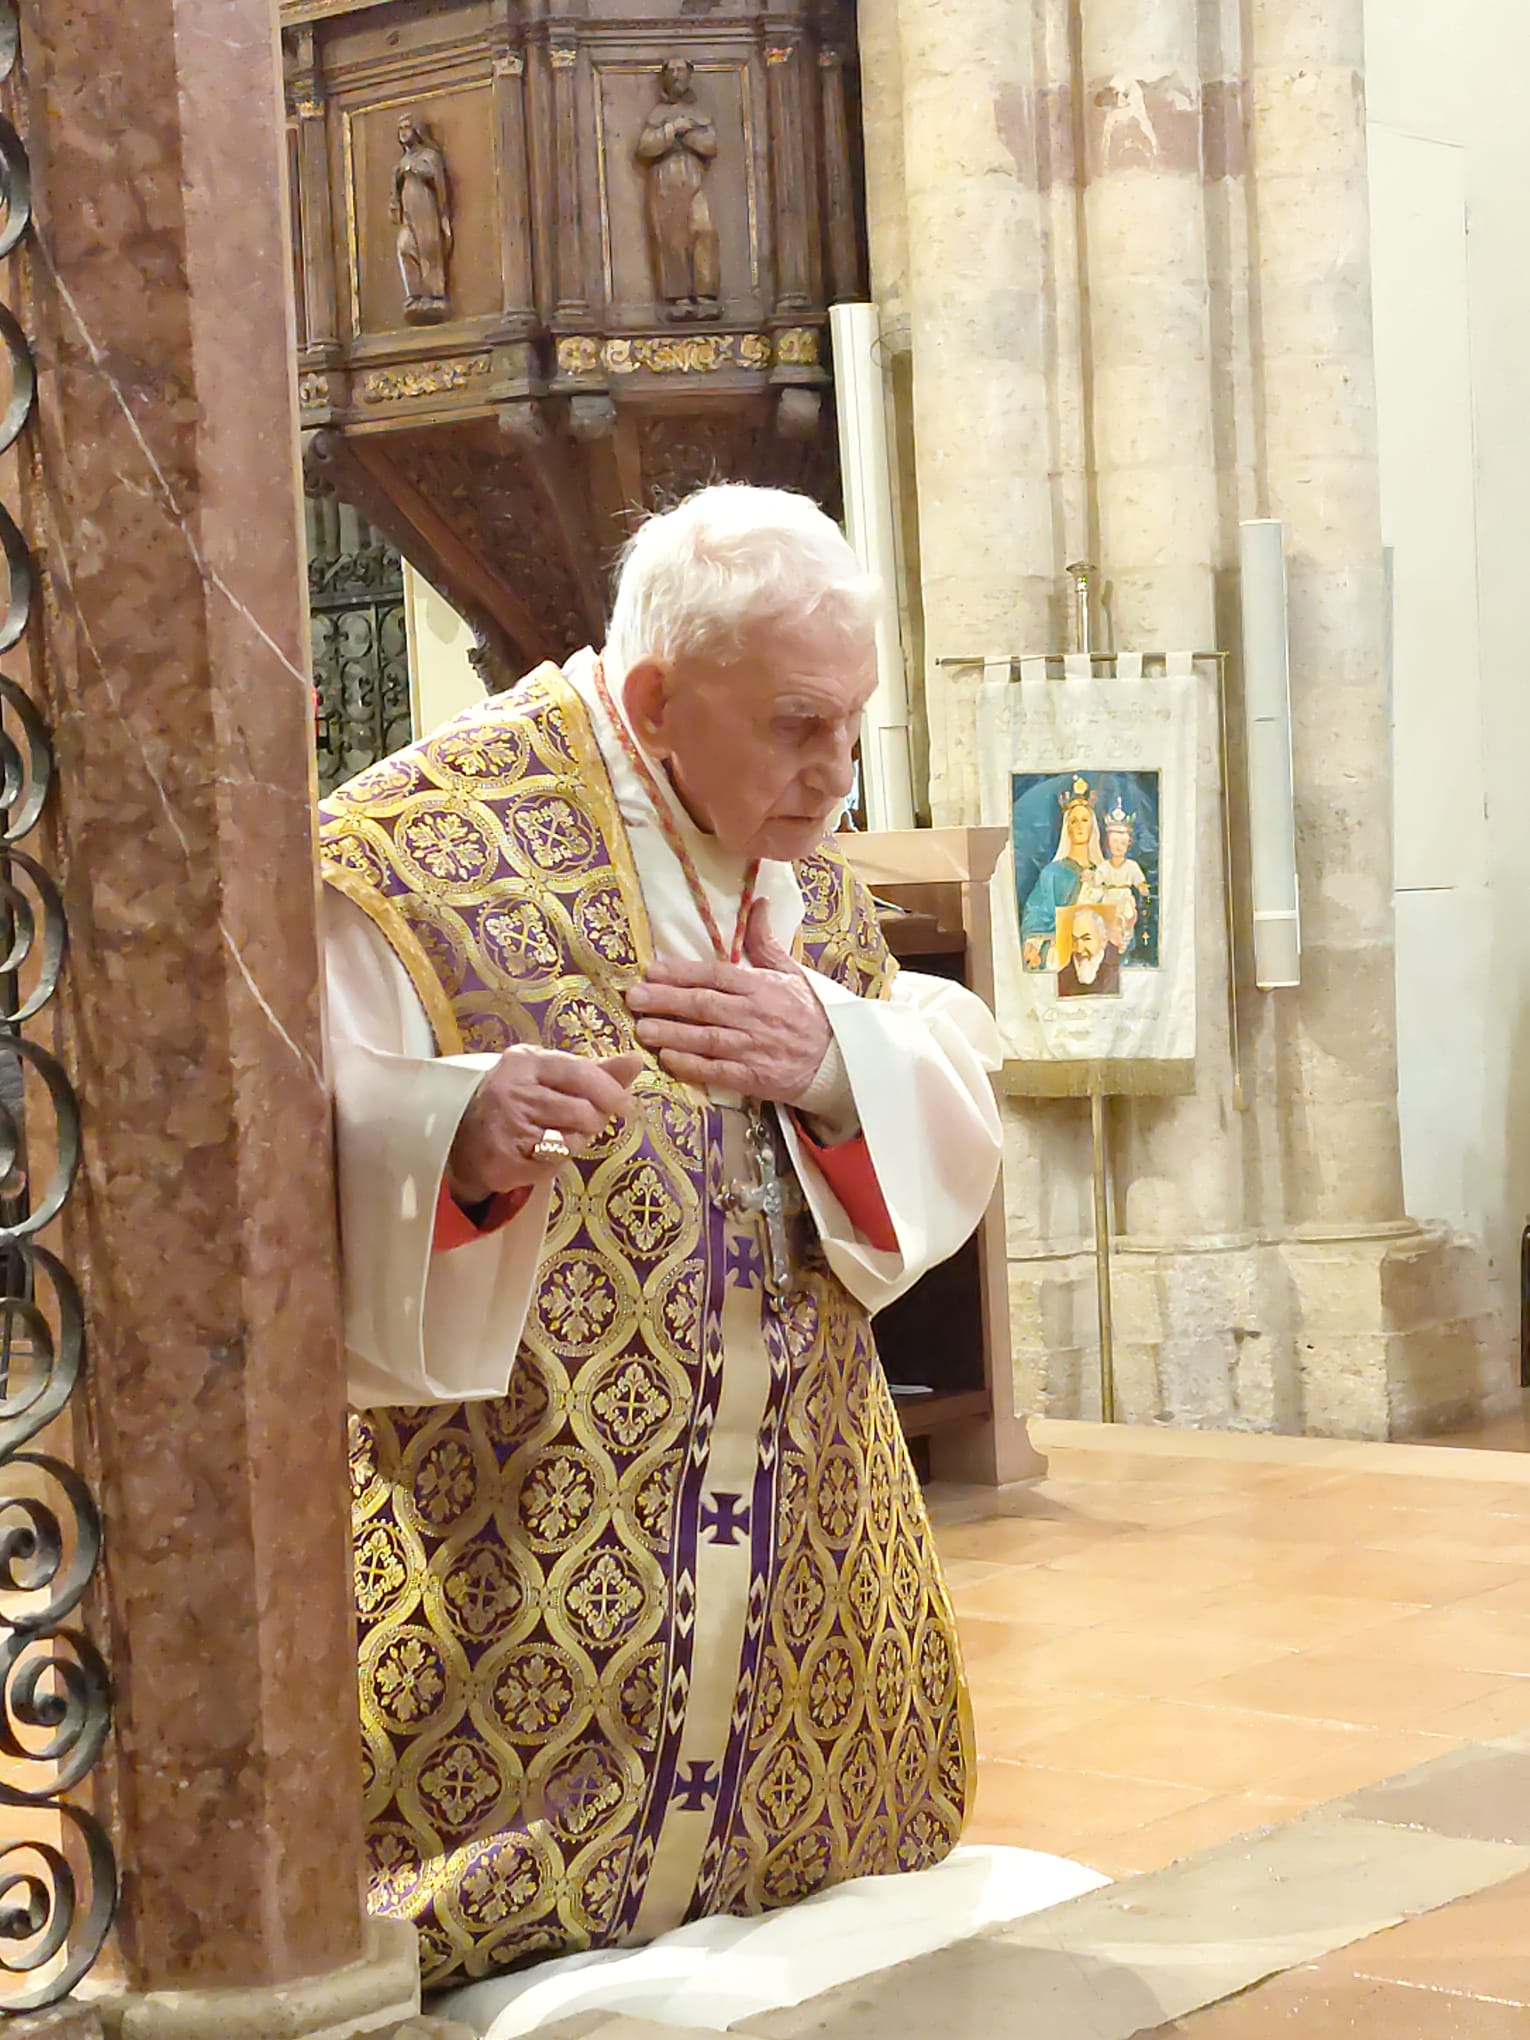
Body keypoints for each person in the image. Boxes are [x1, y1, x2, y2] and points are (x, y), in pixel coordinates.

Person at [318, 485, 1005, 1989]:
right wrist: (457, 1138)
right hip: (520, 1558)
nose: (835, 774)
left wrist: (829, 1052)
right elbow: (278, 1148)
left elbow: (942, 1089)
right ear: (651, 698)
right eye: (798, 726)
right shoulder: (415, 855)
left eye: (851, 724)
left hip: (807, 1569)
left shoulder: (790, 861)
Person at [1020, 778, 1100, 969]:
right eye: (1073, 821)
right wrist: (1033, 944)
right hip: (1062, 955)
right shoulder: (1053, 873)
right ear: (1067, 829)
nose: (1079, 826)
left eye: (1084, 820)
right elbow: (1037, 916)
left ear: (1092, 826)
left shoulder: (1104, 874)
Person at [1081, 804, 1149, 960]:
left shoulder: (1132, 866)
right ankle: (1105, 942)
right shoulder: (1104, 866)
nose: (1118, 847)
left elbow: (1139, 881)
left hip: (1124, 898)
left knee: (1125, 914)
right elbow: (1097, 882)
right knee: (1101, 919)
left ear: (1128, 843)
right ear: (1108, 843)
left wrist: (1142, 887)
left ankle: (1122, 942)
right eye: (1115, 842)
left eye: (1122, 843)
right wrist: (1090, 877)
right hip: (1109, 899)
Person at [1057, 907, 1121, 998]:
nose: (1079, 949)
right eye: (1075, 940)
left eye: (1086, 939)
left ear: (1103, 940)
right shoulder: (1062, 978)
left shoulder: (1120, 970)